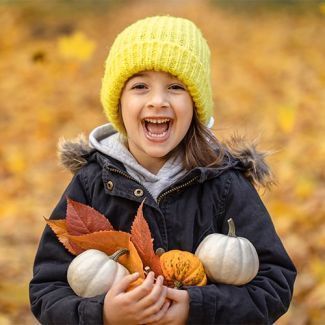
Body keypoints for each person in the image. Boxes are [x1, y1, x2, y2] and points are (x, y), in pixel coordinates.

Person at [29, 16, 296, 324]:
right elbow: (47, 290)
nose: (158, 101)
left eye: (175, 87)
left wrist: (196, 308)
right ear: (118, 103)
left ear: (196, 104)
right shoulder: (92, 183)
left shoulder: (224, 184)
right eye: (140, 86)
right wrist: (103, 314)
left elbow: (274, 284)